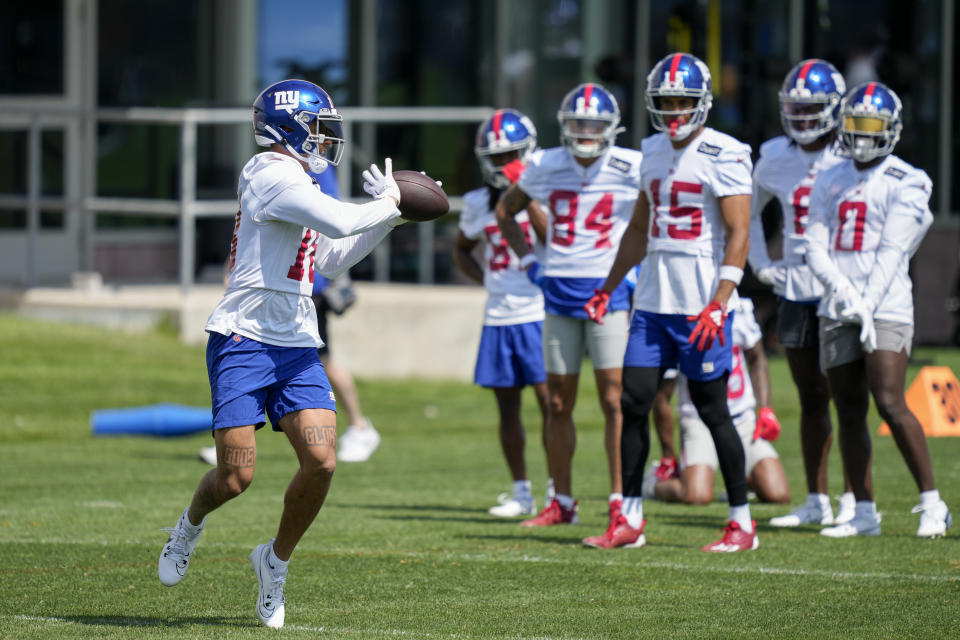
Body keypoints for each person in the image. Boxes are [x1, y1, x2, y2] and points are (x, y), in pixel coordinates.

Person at [158, 79, 409, 629]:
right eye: (318, 130)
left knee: (321, 461)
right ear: (290, 127)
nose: (324, 141)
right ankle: (190, 524)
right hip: (244, 337)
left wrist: (390, 216)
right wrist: (385, 202)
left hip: (295, 339)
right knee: (235, 476)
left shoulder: (300, 180)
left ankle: (274, 562)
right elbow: (343, 220)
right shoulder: (268, 173)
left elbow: (336, 256)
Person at [582, 52, 758, 552]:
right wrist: (608, 285)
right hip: (654, 302)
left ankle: (742, 522)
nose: (674, 110)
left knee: (712, 409)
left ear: (702, 103)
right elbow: (639, 228)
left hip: (701, 302)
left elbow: (739, 232)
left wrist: (720, 301)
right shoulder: (652, 150)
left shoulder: (726, 151)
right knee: (633, 401)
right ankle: (630, 518)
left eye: (683, 100)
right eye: (666, 101)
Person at [804, 81, 951, 538]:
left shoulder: (909, 179)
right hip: (838, 301)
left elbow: (893, 251)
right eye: (856, 126)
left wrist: (866, 302)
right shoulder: (830, 175)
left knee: (889, 400)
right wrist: (843, 292)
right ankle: (864, 511)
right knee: (848, 407)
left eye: (873, 127)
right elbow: (813, 243)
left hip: (885, 304)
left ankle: (932, 502)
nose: (864, 137)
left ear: (892, 129)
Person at [495, 83, 642, 530]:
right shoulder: (545, 164)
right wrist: (528, 262)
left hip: (607, 291)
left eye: (594, 124)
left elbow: (654, 217)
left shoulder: (632, 166)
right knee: (558, 403)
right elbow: (506, 209)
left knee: (614, 401)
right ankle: (562, 499)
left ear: (611, 128)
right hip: (558, 290)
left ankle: (620, 503)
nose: (585, 132)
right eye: (578, 123)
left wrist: (634, 270)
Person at [198, 168, 380, 466]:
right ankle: (234, 439)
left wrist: (391, 206)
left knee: (323, 361)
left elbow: (333, 227)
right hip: (275, 295)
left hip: (303, 292)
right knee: (309, 362)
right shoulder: (270, 170)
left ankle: (359, 426)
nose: (322, 140)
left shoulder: (316, 171)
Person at [748, 59, 855, 527]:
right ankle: (817, 498)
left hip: (842, 291)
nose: (802, 118)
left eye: (812, 109)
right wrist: (759, 264)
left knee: (850, 398)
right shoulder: (775, 155)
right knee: (811, 398)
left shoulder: (854, 152)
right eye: (795, 107)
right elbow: (747, 211)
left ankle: (857, 499)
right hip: (796, 289)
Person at [454, 108, 550, 517]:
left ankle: (559, 492)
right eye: (495, 158)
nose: (502, 165)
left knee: (551, 405)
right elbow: (461, 248)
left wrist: (523, 193)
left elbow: (554, 239)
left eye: (510, 155)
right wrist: (486, 280)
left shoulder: (544, 192)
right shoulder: (477, 203)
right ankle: (521, 491)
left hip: (540, 310)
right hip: (499, 315)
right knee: (507, 409)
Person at [646, 298, 790, 506]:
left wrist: (765, 409)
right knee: (696, 496)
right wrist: (668, 455)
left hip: (742, 418)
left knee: (778, 495)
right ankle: (653, 483)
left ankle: (742, 483)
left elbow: (757, 358)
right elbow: (663, 396)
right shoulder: (679, 313)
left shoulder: (740, 308)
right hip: (699, 419)